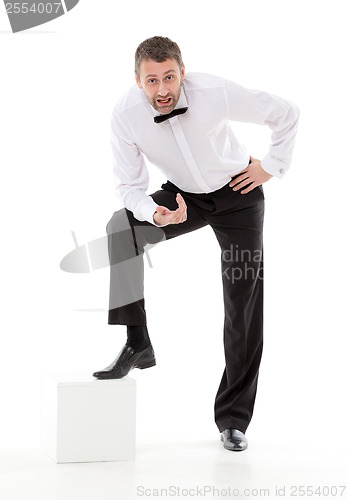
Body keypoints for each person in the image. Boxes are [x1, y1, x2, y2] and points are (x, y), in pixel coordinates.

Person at [92, 36, 300, 452]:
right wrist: (155, 213)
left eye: (169, 77)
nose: (163, 89)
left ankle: (234, 418)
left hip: (238, 195)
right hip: (183, 198)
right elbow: (129, 186)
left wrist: (271, 166)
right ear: (138, 81)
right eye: (152, 81)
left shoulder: (214, 91)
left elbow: (286, 112)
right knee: (121, 228)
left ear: (182, 73)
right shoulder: (125, 116)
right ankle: (137, 341)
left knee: (242, 303)